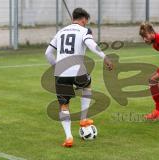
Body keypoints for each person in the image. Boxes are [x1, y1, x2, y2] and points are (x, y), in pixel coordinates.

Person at [45, 8, 113, 147]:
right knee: (86, 85)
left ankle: (69, 137)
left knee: (64, 105)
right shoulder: (84, 31)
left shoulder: (61, 31)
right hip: (77, 70)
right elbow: (91, 44)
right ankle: (83, 118)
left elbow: (48, 53)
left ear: (72, 19)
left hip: (61, 72)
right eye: (86, 22)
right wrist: (104, 56)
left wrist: (56, 65)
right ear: (83, 20)